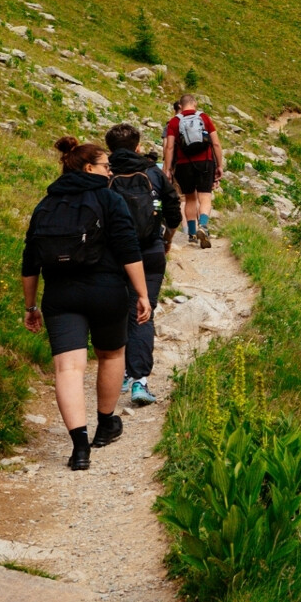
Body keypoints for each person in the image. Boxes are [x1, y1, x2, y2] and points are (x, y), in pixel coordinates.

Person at [21, 137, 153, 470]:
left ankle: (80, 448)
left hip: (60, 295)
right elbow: (128, 250)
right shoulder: (109, 199)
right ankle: (105, 424)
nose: (111, 170)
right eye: (107, 165)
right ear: (89, 168)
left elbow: (29, 261)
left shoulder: (46, 204)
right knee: (111, 355)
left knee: (67, 368)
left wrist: (30, 306)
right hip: (107, 291)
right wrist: (142, 294)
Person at [105, 122, 181, 406]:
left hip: (115, 255)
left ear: (110, 148)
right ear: (138, 146)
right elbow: (173, 211)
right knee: (144, 309)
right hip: (150, 252)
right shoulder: (153, 172)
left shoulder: (105, 173)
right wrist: (167, 239)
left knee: (120, 310)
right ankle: (140, 381)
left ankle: (122, 372)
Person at [162, 93, 223, 248]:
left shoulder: (174, 122)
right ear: (194, 103)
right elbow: (216, 143)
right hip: (205, 162)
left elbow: (169, 147)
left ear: (180, 106)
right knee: (205, 197)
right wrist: (219, 165)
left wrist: (168, 169)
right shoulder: (204, 117)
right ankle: (203, 226)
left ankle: (191, 233)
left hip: (184, 164)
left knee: (190, 198)